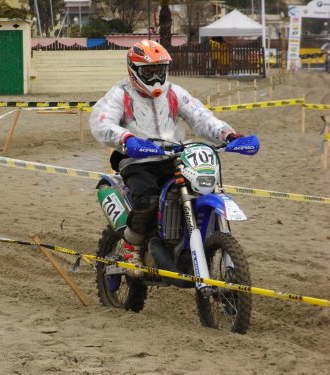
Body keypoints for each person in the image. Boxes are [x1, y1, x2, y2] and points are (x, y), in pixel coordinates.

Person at [89, 39, 242, 276]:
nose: (155, 76)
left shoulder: (174, 92)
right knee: (148, 200)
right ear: (134, 69)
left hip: (174, 156)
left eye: (160, 70)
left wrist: (229, 134)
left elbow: (201, 117)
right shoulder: (120, 94)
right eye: (149, 71)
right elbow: (101, 122)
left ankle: (189, 244)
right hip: (137, 160)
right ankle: (131, 247)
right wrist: (127, 139)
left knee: (202, 189)